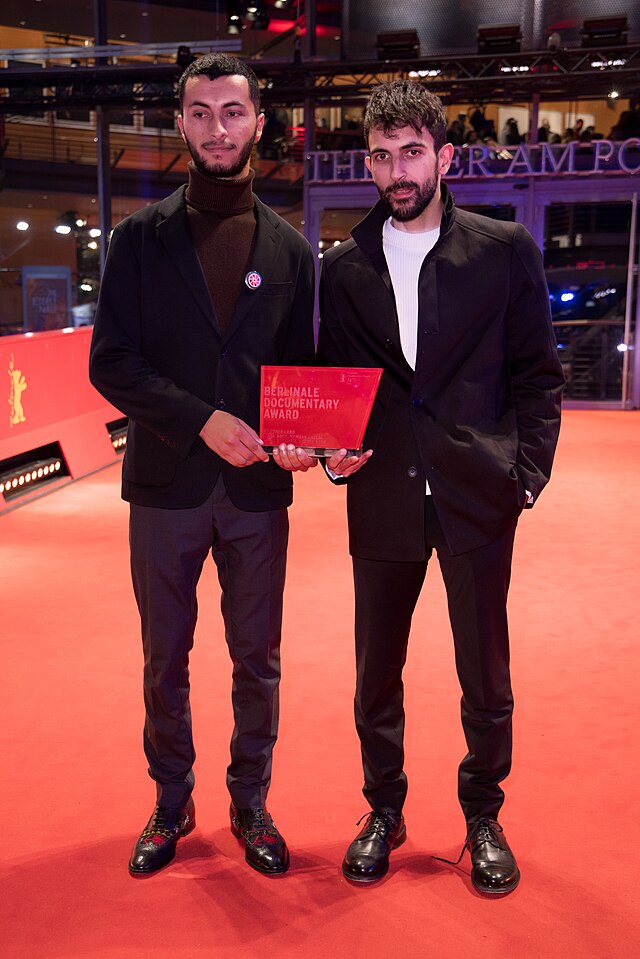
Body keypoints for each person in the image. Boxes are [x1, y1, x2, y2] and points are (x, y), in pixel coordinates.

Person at [316, 80, 564, 895]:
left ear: (443, 155)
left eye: (412, 152)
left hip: (476, 496)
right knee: (374, 673)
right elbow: (334, 386)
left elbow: (538, 376)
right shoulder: (344, 268)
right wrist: (327, 453)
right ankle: (383, 810)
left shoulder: (502, 250)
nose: (397, 169)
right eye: (381, 155)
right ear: (368, 162)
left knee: (483, 674)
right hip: (381, 495)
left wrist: (524, 478)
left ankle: (483, 814)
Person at [89, 53, 316, 878]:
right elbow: (111, 363)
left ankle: (251, 801)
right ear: (178, 123)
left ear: (259, 122)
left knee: (258, 655)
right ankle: (171, 796)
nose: (217, 128)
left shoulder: (291, 250)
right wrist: (202, 421)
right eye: (200, 112)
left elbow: (303, 375)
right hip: (165, 486)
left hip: (258, 487)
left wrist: (303, 440)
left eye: (232, 111)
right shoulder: (138, 241)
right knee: (165, 656)